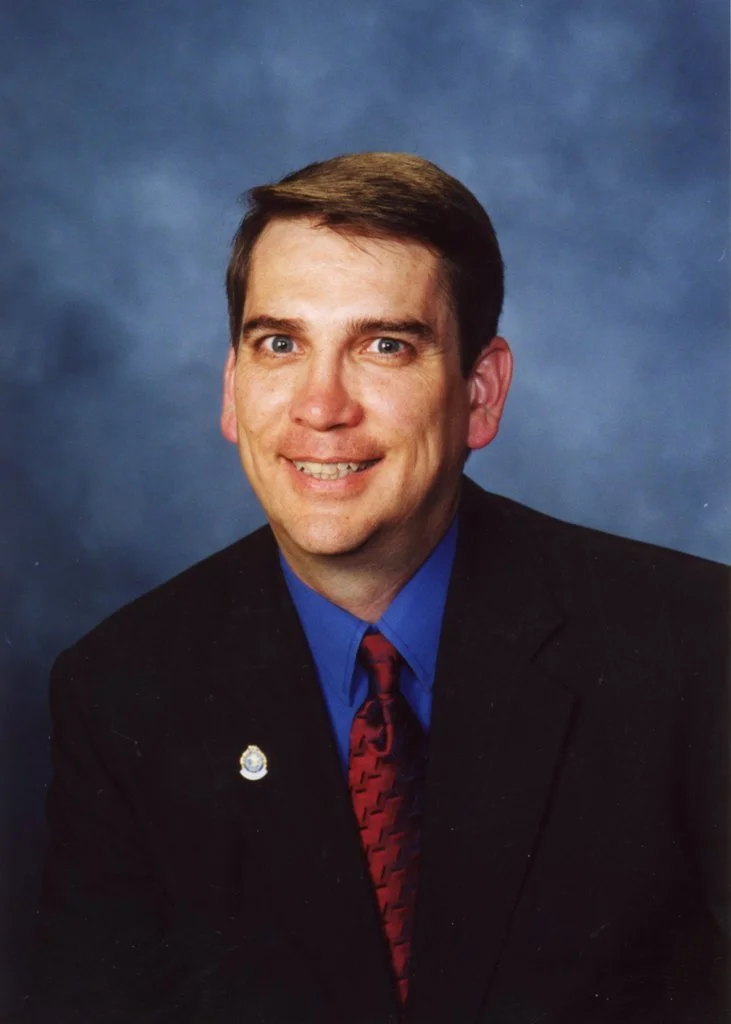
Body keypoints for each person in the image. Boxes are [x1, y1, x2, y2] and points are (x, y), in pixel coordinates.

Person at [19, 153, 728, 1023]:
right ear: (233, 390)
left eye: (384, 346)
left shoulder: (696, 647)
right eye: (280, 345)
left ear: (479, 393)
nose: (321, 407)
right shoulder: (122, 691)